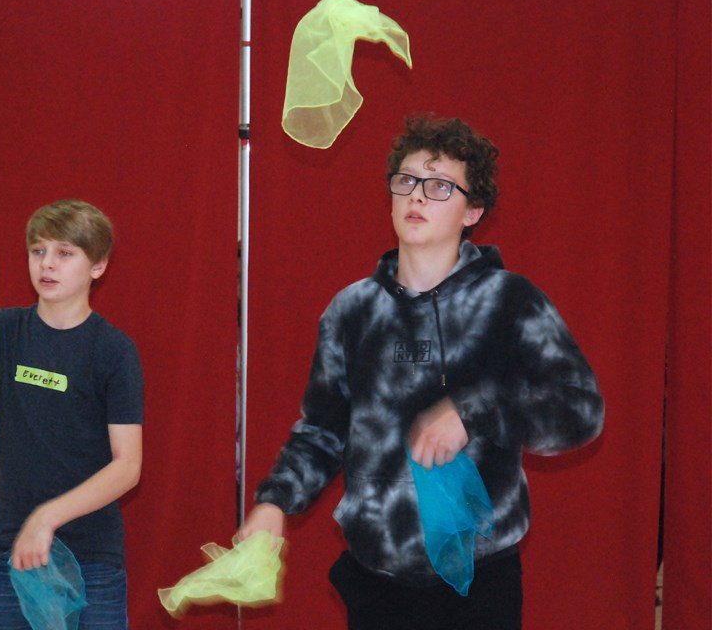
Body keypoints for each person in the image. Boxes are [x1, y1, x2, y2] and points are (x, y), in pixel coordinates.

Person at [237, 115, 604, 629]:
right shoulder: (351, 310)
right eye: (406, 181)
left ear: (473, 210)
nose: (416, 197)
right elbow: (323, 431)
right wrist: (276, 502)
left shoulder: (510, 302)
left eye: (439, 187)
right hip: (376, 579)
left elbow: (579, 410)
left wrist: (473, 412)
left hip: (478, 578)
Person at [0, 200, 144, 629]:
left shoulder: (113, 351)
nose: (47, 264)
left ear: (98, 266)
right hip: (12, 551)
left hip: (93, 557)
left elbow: (128, 466)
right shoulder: (3, 332)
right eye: (38, 251)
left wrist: (47, 517)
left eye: (64, 253)